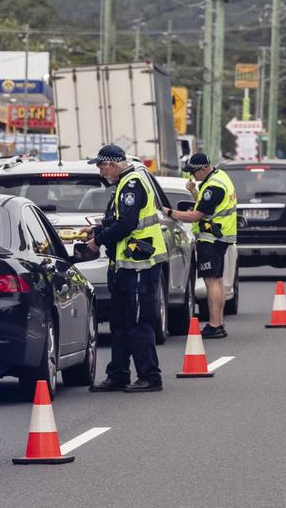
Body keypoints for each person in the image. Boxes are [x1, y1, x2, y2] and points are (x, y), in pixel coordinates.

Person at [82, 145, 165, 392]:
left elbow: (127, 224)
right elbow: (119, 221)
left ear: (115, 163)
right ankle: (118, 374)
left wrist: (98, 240)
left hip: (140, 264)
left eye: (102, 165)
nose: (100, 171)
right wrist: (99, 230)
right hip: (124, 265)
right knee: (119, 321)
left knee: (139, 321)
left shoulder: (132, 184)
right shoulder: (124, 184)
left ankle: (150, 376)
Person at [167, 152, 235, 338]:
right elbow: (206, 206)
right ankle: (219, 323)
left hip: (210, 238)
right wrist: (194, 191)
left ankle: (214, 325)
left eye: (194, 172)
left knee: (211, 281)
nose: (193, 176)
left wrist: (169, 212)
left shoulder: (213, 187)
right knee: (218, 281)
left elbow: (195, 215)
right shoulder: (220, 178)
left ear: (204, 168)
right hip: (220, 237)